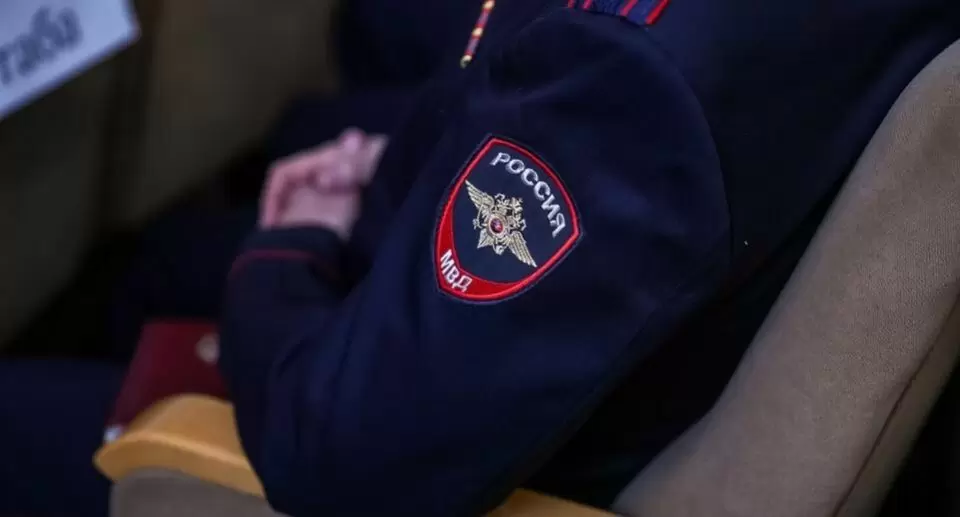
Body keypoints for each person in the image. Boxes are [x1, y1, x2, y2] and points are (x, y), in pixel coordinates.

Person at [2, 0, 960, 516]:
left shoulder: (630, 82)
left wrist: (289, 247)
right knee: (163, 253)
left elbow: (339, 462)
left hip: (476, 416)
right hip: (603, 279)